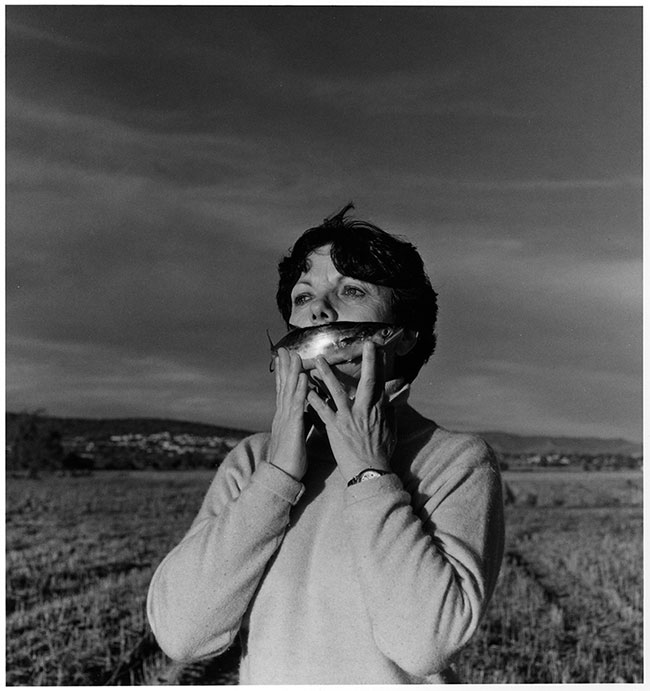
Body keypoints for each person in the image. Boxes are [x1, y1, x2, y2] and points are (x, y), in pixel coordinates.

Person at [147, 203, 505, 684]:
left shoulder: (455, 461)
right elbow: (182, 636)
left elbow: (423, 646)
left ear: (402, 337)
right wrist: (276, 477)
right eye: (303, 297)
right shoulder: (252, 460)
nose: (319, 309)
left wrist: (370, 473)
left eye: (352, 291)